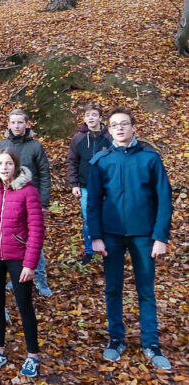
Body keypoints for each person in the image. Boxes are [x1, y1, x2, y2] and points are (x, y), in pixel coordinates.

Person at [87, 107, 173, 370]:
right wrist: (96, 237)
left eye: (124, 124)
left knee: (145, 290)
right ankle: (116, 339)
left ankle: (151, 342)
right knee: (113, 288)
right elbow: (92, 204)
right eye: (114, 125)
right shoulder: (101, 161)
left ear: (134, 127)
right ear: (109, 130)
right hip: (111, 236)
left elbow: (164, 200)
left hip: (143, 235)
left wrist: (160, 236)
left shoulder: (150, 159)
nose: (120, 128)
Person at [0, 148, 44, 378]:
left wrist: (30, 263)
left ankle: (32, 355)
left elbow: (36, 230)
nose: (4, 168)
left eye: (8, 164)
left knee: (25, 306)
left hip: (19, 258)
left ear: (15, 166)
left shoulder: (28, 191)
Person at [0, 109, 53, 297]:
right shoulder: (2, 145)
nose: (17, 126)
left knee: (36, 240)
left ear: (27, 124)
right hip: (9, 200)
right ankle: (16, 277)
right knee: (15, 239)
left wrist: (44, 202)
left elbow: (44, 174)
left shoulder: (35, 146)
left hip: (31, 199)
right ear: (8, 124)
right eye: (13, 122)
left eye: (20, 122)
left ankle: (40, 278)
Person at [67, 103, 111, 265]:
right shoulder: (78, 138)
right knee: (88, 220)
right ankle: (89, 250)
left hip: (107, 186)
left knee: (107, 217)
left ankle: (108, 249)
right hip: (85, 186)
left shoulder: (109, 137)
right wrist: (74, 184)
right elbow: (72, 161)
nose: (90, 118)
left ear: (100, 117)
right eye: (87, 115)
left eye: (94, 114)